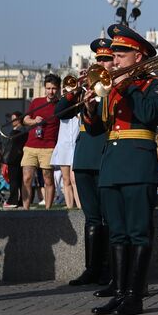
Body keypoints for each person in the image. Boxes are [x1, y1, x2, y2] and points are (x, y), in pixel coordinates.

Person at [92, 24, 158, 315]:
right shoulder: (111, 88)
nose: (116, 59)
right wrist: (90, 104)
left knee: (138, 233)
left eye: (122, 53)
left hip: (138, 165)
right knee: (117, 234)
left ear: (138, 57)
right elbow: (98, 127)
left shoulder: (156, 84)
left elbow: (151, 115)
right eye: (115, 53)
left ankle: (135, 296)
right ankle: (120, 292)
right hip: (111, 164)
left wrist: (127, 88)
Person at [62, 38, 115, 291]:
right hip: (83, 157)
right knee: (91, 217)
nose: (102, 63)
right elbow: (62, 112)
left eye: (106, 59)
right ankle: (91, 268)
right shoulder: (89, 86)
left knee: (107, 216)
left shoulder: (115, 87)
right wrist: (75, 91)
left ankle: (108, 268)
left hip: (105, 154)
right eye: (99, 60)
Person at [21, 75, 61, 209]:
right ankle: (25, 210)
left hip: (48, 146)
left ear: (58, 89)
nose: (51, 91)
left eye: (54, 88)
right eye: (48, 88)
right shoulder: (37, 102)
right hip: (31, 145)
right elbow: (25, 119)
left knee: (48, 178)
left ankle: (48, 210)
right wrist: (34, 121)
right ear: (45, 88)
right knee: (26, 178)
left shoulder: (60, 104)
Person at [1, 111, 26, 207]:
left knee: (14, 180)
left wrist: (5, 160)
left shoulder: (16, 132)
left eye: (14, 119)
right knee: (19, 180)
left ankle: (13, 200)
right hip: (19, 158)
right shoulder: (23, 130)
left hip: (13, 159)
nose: (12, 121)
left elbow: (10, 147)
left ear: (19, 120)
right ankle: (19, 200)